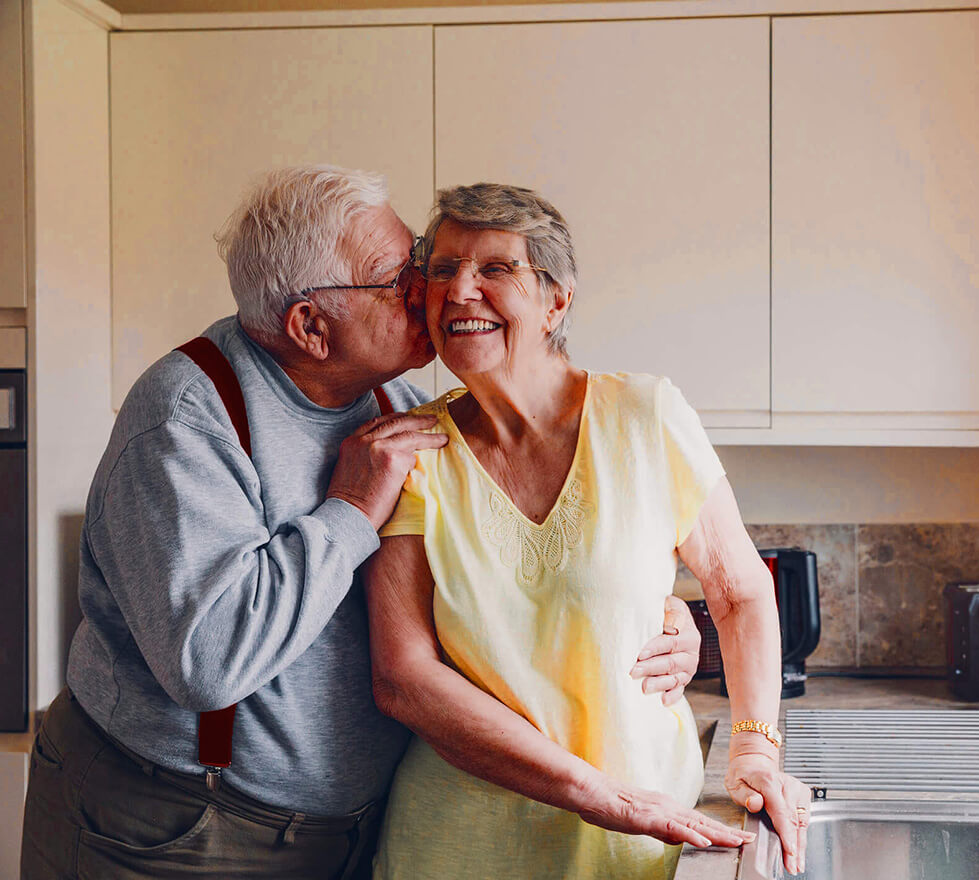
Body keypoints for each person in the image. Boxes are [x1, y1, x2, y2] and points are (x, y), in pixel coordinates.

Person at [19, 165, 702, 880]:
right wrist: (347, 513)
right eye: (397, 277)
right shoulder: (186, 420)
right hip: (177, 828)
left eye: (418, 261)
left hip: (351, 832)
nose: (432, 289)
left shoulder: (397, 403)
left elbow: (498, 592)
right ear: (311, 325)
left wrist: (666, 621)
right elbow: (209, 662)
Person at [364, 182, 811, 880]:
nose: (458, 291)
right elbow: (405, 679)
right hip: (460, 852)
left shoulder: (644, 415)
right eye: (443, 269)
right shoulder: (411, 453)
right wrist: (601, 796)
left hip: (639, 848)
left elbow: (739, 592)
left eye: (495, 269)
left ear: (556, 300)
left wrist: (755, 749)